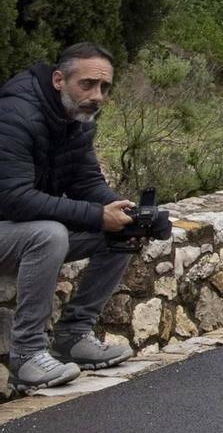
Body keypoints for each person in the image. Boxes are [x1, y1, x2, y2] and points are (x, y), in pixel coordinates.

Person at [0, 43, 134, 391]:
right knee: (49, 234)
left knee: (126, 231)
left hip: (12, 230)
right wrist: (94, 214)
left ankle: (74, 334)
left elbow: (85, 181)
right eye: (87, 84)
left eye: (104, 87)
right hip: (10, 226)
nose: (97, 96)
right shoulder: (14, 115)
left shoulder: (75, 117)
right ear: (59, 79)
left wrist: (128, 211)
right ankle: (27, 356)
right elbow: (13, 199)